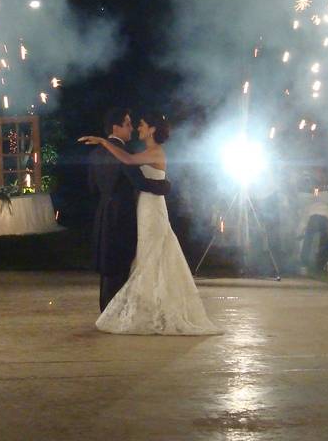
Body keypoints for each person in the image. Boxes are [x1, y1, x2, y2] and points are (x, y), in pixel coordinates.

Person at [80, 113, 222, 335]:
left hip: (149, 209)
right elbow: (138, 176)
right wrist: (165, 186)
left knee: (151, 254)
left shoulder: (150, 152)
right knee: (146, 255)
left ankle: (151, 309)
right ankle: (149, 307)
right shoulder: (138, 153)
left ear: (153, 129)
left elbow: (108, 179)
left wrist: (103, 141)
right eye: (132, 124)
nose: (137, 128)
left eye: (142, 125)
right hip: (142, 206)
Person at [86, 108, 173, 313]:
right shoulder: (126, 153)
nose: (133, 127)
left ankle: (107, 310)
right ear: (116, 127)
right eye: (128, 124)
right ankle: (116, 312)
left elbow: (91, 188)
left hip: (104, 212)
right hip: (125, 213)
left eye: (138, 124)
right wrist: (165, 186)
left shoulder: (95, 153)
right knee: (122, 263)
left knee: (110, 264)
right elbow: (140, 182)